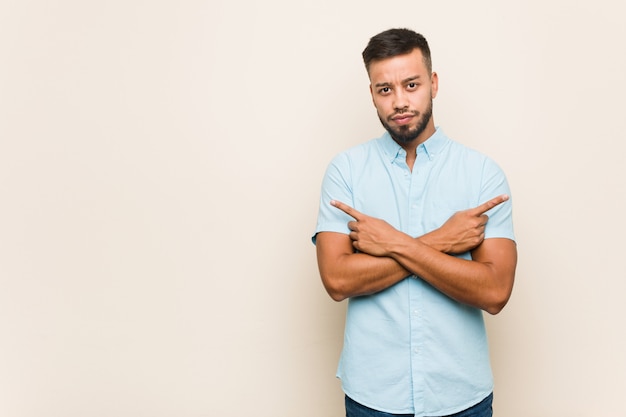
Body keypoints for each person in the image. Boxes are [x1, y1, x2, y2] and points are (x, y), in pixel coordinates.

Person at [312, 28, 517, 417]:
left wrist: (392, 242)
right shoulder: (346, 172)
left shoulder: (482, 174)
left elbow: (495, 292)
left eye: (411, 84)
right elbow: (337, 281)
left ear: (433, 84)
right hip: (373, 396)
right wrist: (443, 239)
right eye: (385, 89)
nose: (400, 101)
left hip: (461, 396)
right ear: (371, 94)